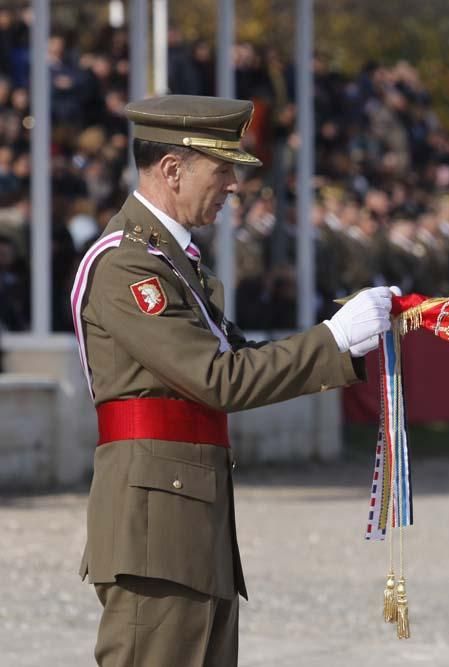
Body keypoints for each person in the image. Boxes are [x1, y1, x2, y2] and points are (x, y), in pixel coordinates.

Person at [71, 94, 396, 666]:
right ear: (173, 169)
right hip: (156, 529)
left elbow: (236, 361)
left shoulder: (172, 262)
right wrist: (334, 338)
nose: (233, 186)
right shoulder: (128, 265)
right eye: (222, 170)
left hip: (185, 520)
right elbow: (219, 378)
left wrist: (343, 340)